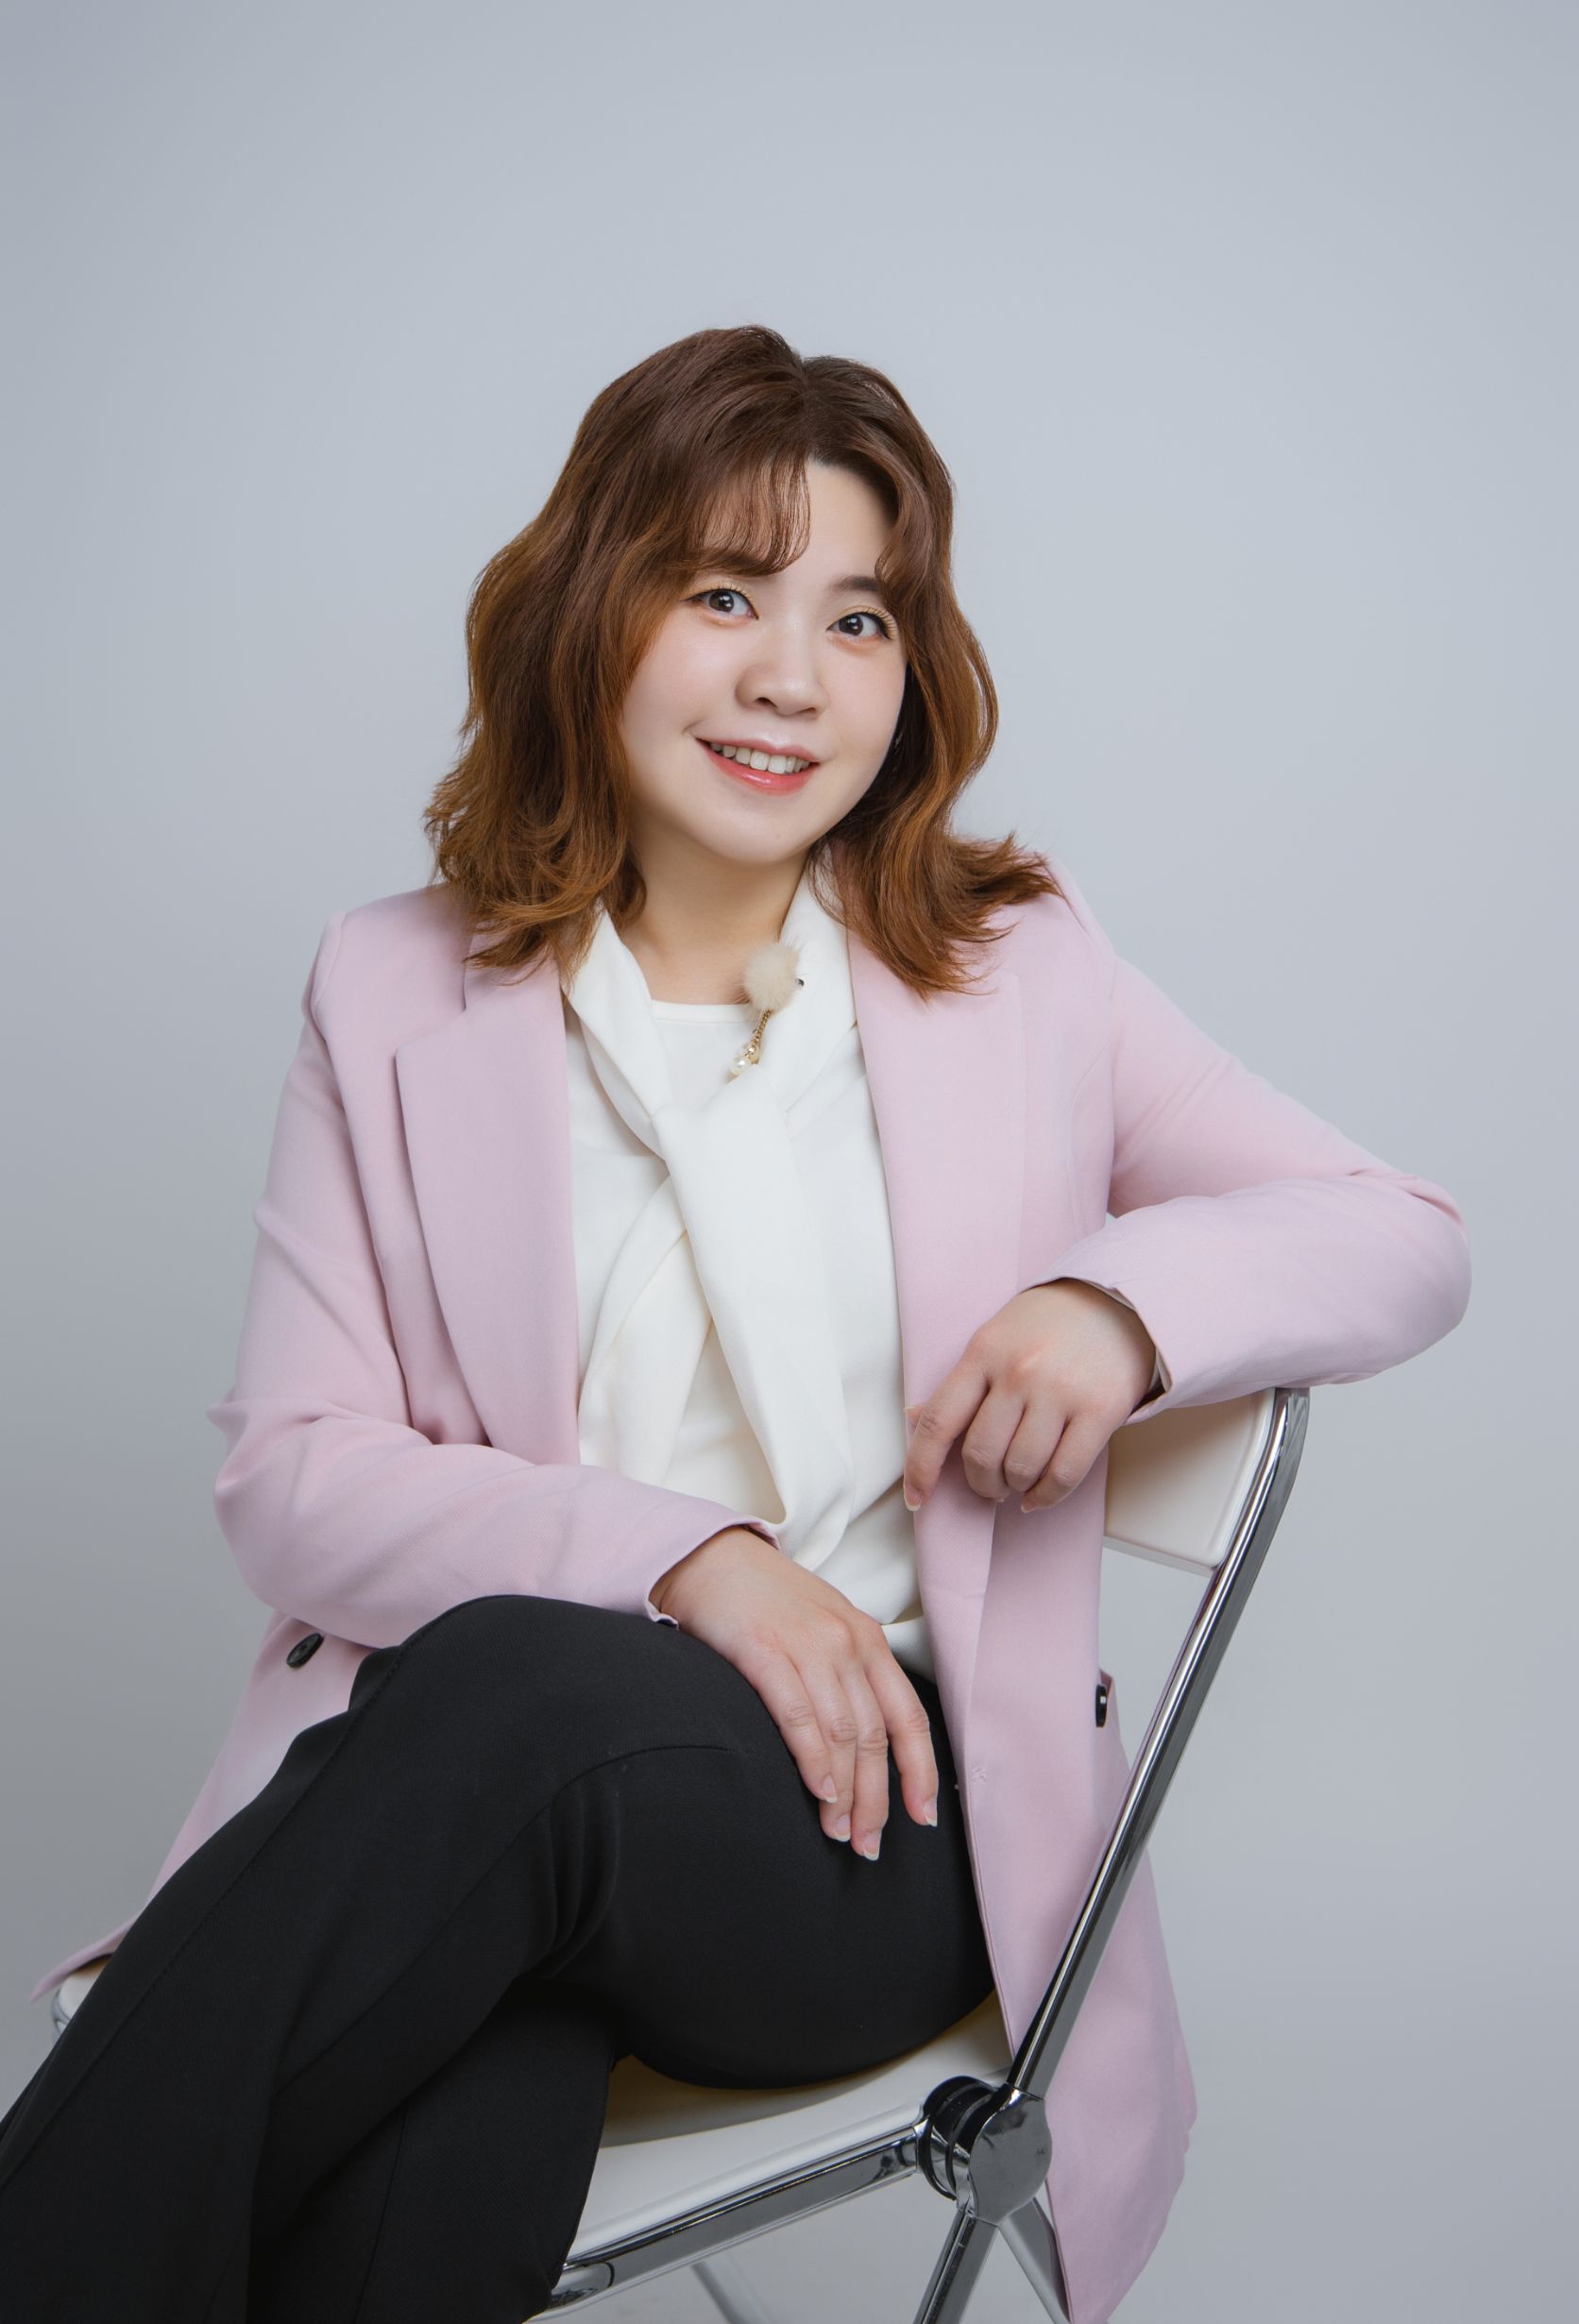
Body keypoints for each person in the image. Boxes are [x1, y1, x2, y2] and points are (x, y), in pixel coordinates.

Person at [0, 325, 1472, 2324]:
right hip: (492, 1832)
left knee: (515, 1684)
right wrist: (688, 1559)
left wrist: (1116, 1305)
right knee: (445, 2109)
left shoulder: (1015, 970)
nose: (793, 677)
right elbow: (296, 1482)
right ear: (587, 612)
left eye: (858, 618)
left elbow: (1395, 1233)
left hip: (884, 1832)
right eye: (721, 595)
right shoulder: (393, 990)